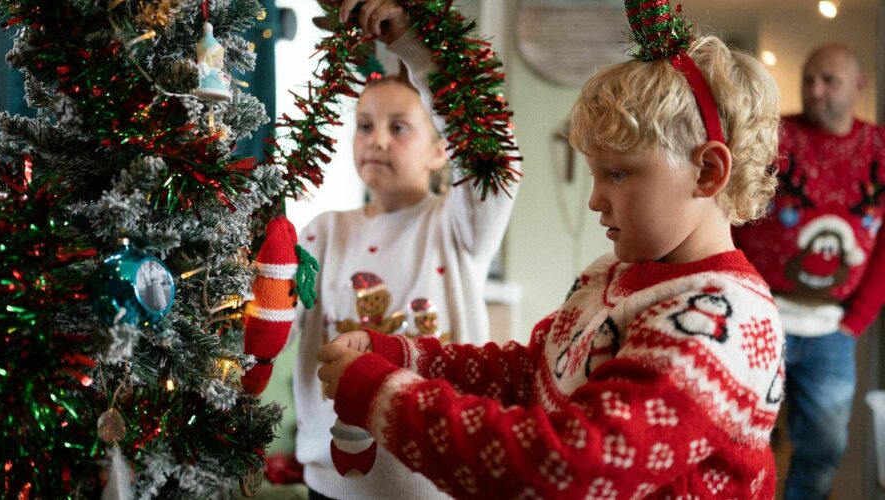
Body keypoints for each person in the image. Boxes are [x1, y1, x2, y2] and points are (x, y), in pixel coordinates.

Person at [318, 1, 785, 498]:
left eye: (618, 174)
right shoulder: (612, 273)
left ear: (709, 172)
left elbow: (572, 464)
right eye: (595, 174)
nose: (595, 200)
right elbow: (530, 374)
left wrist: (383, 396)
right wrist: (401, 355)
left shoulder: (725, 322)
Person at [290, 3, 519, 498]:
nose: (376, 141)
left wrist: (414, 46)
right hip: (331, 484)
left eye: (399, 127)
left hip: (433, 483)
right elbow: (272, 319)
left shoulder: (455, 226)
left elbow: (493, 155)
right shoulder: (321, 233)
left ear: (441, 150)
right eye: (365, 125)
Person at [733, 44, 885, 500]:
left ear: (857, 86)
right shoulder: (774, 138)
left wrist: (855, 321)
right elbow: (734, 209)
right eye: (809, 79)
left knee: (823, 447)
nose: (815, 91)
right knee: (737, 434)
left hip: (831, 329)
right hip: (759, 314)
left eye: (829, 81)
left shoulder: (880, 150)